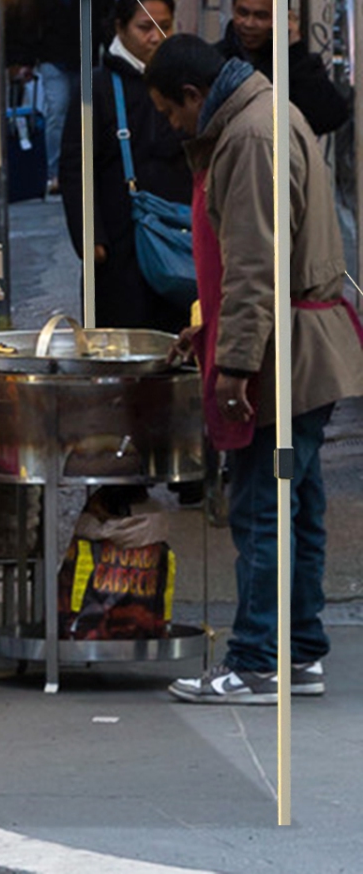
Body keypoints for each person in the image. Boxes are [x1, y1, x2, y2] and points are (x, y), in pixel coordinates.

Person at [147, 35, 363, 704]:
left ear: (193, 94)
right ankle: (298, 650)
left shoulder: (247, 137)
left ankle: (256, 659)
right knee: (296, 504)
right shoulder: (267, 114)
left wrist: (234, 364)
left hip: (285, 355)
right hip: (301, 340)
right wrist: (209, 330)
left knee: (262, 508)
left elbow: (254, 263)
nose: (174, 127)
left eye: (171, 113)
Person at [59, 0, 192, 333]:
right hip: (118, 244)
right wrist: (90, 235)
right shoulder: (96, 88)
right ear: (120, 28)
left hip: (178, 238)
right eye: (145, 27)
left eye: (164, 26)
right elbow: (76, 167)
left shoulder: (183, 83)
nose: (155, 37)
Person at [219, 0, 349, 137]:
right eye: (242, 13)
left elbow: (328, 118)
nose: (249, 23)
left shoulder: (297, 65)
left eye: (261, 16)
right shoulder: (218, 61)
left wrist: (294, 49)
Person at [1, 0, 79, 194]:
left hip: (75, 54)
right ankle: (57, 172)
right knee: (59, 111)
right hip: (55, 56)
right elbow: (29, 23)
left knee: (65, 113)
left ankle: (68, 170)